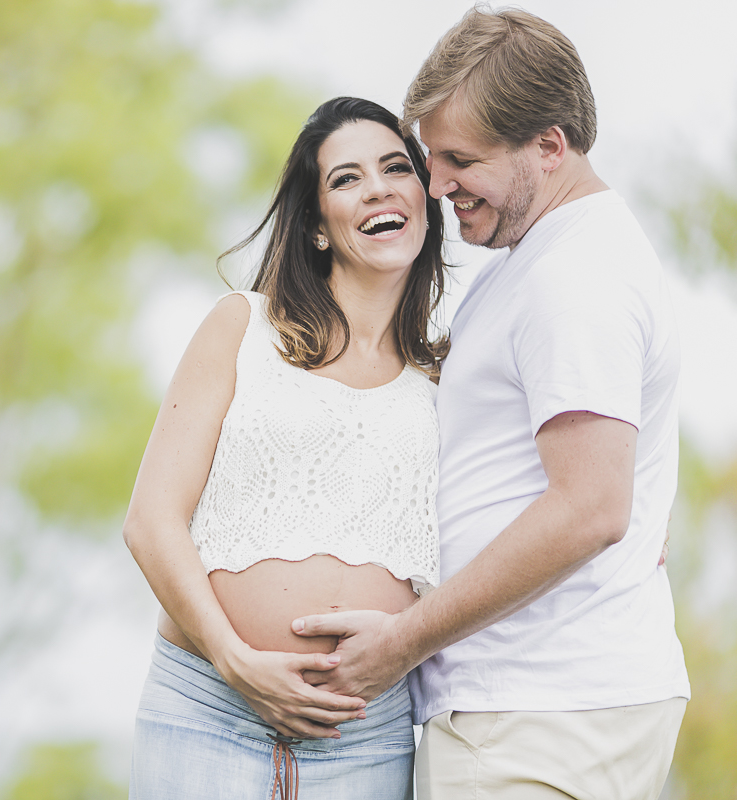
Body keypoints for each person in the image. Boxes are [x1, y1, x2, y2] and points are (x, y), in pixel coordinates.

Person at [291, 9, 690, 800]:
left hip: (541, 713)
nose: (435, 185)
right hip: (534, 708)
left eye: (460, 160)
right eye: (431, 155)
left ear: (550, 145)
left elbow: (590, 507)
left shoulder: (574, 277)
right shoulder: (536, 260)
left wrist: (401, 643)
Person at [123, 96, 448, 800]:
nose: (378, 188)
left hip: (364, 732)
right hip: (206, 711)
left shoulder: (451, 377)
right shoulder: (244, 327)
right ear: (317, 227)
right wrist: (236, 661)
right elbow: (150, 520)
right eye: (346, 179)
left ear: (425, 200)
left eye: (397, 168)